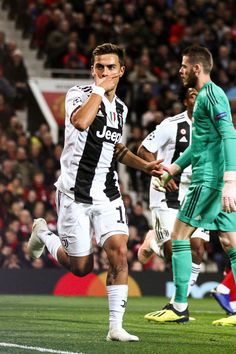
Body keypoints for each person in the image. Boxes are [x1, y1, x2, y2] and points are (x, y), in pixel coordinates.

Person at [27, 43, 163, 341]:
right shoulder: (79, 94)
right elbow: (81, 122)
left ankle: (115, 327)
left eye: (111, 67)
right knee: (81, 268)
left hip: (107, 193)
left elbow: (115, 148)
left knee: (118, 253)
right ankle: (43, 234)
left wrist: (145, 166)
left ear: (121, 71)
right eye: (99, 67)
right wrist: (99, 91)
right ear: (93, 70)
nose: (104, 72)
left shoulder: (122, 109)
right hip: (74, 194)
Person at [152, 45, 236, 325]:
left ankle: (178, 306)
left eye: (184, 66)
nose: (180, 70)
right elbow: (199, 145)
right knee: (230, 242)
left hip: (210, 180)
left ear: (197, 69)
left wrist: (229, 181)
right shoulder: (204, 99)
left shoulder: (212, 96)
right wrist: (173, 169)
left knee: (178, 236)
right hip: (214, 178)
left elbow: (229, 136)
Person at [137, 87, 209, 322]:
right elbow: (144, 150)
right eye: (192, 95)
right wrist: (160, 173)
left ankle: (178, 305)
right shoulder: (172, 125)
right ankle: (155, 243)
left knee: (197, 250)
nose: (197, 98)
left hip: (196, 194)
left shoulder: (213, 127)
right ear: (185, 101)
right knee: (173, 251)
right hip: (167, 193)